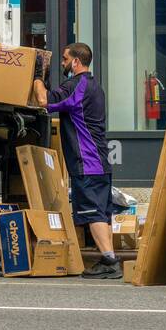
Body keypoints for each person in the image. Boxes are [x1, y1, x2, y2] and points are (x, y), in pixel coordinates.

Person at [32, 42, 119, 279]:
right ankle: (107, 258)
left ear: (76, 62)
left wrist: (37, 76)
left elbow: (43, 100)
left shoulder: (75, 86)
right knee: (101, 212)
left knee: (93, 213)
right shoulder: (95, 87)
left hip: (87, 163)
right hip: (100, 161)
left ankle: (110, 261)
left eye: (64, 59)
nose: (62, 63)